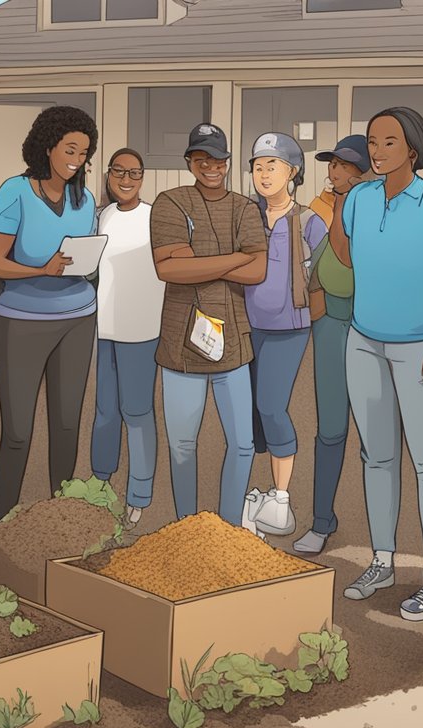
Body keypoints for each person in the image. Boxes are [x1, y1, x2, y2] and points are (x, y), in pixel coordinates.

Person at [329, 106, 423, 621]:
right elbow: (345, 255)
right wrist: (341, 201)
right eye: (372, 141)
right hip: (364, 341)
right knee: (376, 457)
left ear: (413, 149)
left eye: (389, 142)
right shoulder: (360, 196)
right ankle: (382, 560)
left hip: (419, 347)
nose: (377, 150)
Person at [0, 105, 99, 522]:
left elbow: (80, 253)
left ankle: (58, 520)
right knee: (17, 432)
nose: (77, 159)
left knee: (67, 426)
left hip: (77, 318)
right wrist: (39, 269)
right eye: (71, 148)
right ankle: (3, 526)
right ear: (47, 145)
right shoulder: (14, 191)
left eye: (85, 152)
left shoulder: (84, 200)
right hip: (21, 322)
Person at [149, 123, 268, 526]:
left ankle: (230, 526)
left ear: (228, 163)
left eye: (217, 159)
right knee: (182, 445)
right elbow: (169, 269)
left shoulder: (244, 208)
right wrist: (236, 256)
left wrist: (199, 264)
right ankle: (187, 527)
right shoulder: (171, 202)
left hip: (234, 345)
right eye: (201, 159)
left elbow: (259, 272)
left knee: (242, 444)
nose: (210, 166)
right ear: (189, 162)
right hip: (181, 345)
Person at [243, 132, 328, 537]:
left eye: (272, 165)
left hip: (287, 329)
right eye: (258, 166)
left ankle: (280, 500)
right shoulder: (245, 215)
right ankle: (248, 497)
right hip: (243, 326)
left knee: (272, 408)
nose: (264, 173)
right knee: (246, 414)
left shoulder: (309, 221)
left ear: (293, 172)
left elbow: (326, 276)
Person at [294, 135, 371, 555]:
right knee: (331, 429)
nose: (333, 172)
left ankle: (382, 539)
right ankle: (323, 520)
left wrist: (344, 205)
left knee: (376, 436)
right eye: (333, 166)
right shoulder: (331, 207)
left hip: (368, 326)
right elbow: (323, 262)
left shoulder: (370, 209)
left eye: (343, 167)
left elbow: (345, 257)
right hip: (330, 327)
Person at [90, 148, 162, 525]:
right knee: (105, 410)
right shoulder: (102, 216)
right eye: (119, 171)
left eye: (133, 173)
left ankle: (139, 493)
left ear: (142, 177)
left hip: (143, 329)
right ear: (109, 174)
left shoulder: (155, 218)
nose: (126, 179)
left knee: (137, 412)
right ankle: (101, 484)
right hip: (107, 329)